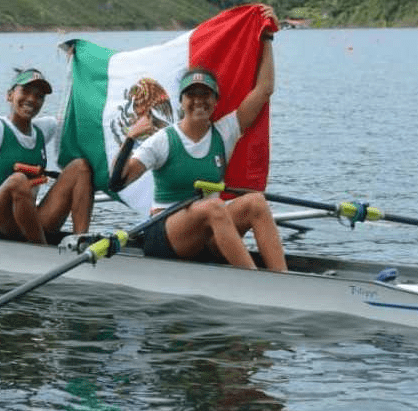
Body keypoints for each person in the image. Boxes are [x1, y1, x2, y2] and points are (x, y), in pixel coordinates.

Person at [108, 25, 287, 272]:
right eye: (191, 95)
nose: (199, 101)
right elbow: (117, 181)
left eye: (206, 95)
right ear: (181, 101)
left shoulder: (225, 132)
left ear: (215, 101)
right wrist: (130, 139)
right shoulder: (163, 140)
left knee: (255, 201)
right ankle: (255, 281)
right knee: (214, 207)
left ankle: (283, 277)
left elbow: (264, 90)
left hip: (207, 232)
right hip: (165, 235)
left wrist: (267, 37)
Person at [0, 59, 94, 244]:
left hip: (30, 221)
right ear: (9, 95)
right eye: (25, 91)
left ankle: (81, 242)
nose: (31, 99)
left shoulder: (45, 128)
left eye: (39, 96)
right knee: (18, 180)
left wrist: (83, 67)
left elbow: (83, 122)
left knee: (81, 167)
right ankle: (42, 251)